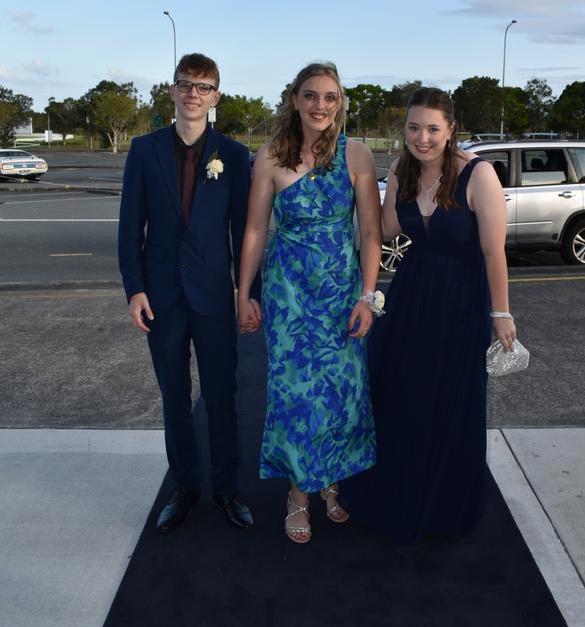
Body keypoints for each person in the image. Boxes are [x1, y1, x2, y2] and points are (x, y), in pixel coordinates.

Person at [344, 87, 516, 544]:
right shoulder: (401, 170)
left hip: (461, 299)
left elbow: (493, 251)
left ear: (450, 130)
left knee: (450, 399)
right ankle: (400, 491)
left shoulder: (478, 174)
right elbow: (384, 230)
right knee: (401, 393)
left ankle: (444, 504)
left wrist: (500, 313)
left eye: (432, 129)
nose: (422, 138)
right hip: (412, 296)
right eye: (414, 127)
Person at [237, 61, 381, 544]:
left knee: (341, 393)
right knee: (296, 396)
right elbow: (256, 230)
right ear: (295, 99)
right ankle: (299, 494)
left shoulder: (356, 155)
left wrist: (368, 296)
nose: (321, 106)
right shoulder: (269, 158)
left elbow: (369, 231)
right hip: (289, 297)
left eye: (330, 97)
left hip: (342, 295)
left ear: (340, 103)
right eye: (311, 95)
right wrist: (244, 294)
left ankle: (331, 480)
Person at [118, 53, 255, 533]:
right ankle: (185, 487)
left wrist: (248, 293)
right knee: (174, 396)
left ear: (216, 95)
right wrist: (134, 290)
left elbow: (247, 233)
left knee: (222, 396)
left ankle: (227, 489)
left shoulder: (235, 157)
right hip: (161, 297)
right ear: (172, 91)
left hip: (215, 297)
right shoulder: (143, 149)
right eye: (185, 85)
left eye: (203, 86)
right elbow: (129, 228)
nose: (193, 93)